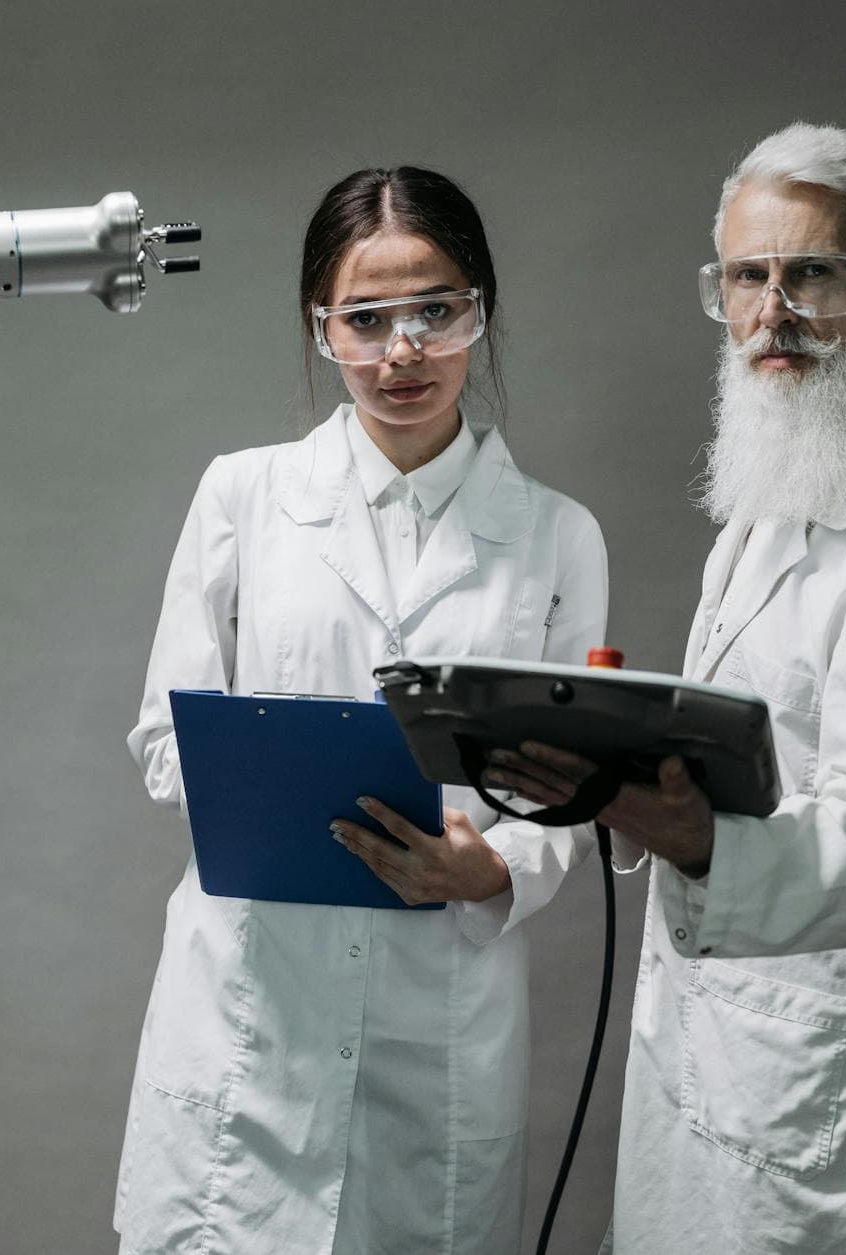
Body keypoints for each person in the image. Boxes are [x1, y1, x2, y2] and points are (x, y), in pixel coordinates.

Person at [490, 123, 846, 1252]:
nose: (769, 311)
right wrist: (625, 772)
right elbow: (750, 761)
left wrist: (701, 845)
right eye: (745, 276)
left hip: (831, 1082)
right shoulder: (770, 501)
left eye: (812, 274)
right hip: (722, 1049)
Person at [112, 167, 609, 1255]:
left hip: (437, 1016)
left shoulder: (554, 538)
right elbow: (163, 738)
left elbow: (572, 794)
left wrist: (493, 868)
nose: (402, 350)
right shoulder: (242, 498)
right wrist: (271, 792)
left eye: (435, 310)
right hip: (254, 1007)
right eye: (365, 318)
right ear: (319, 326)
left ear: (478, 311)